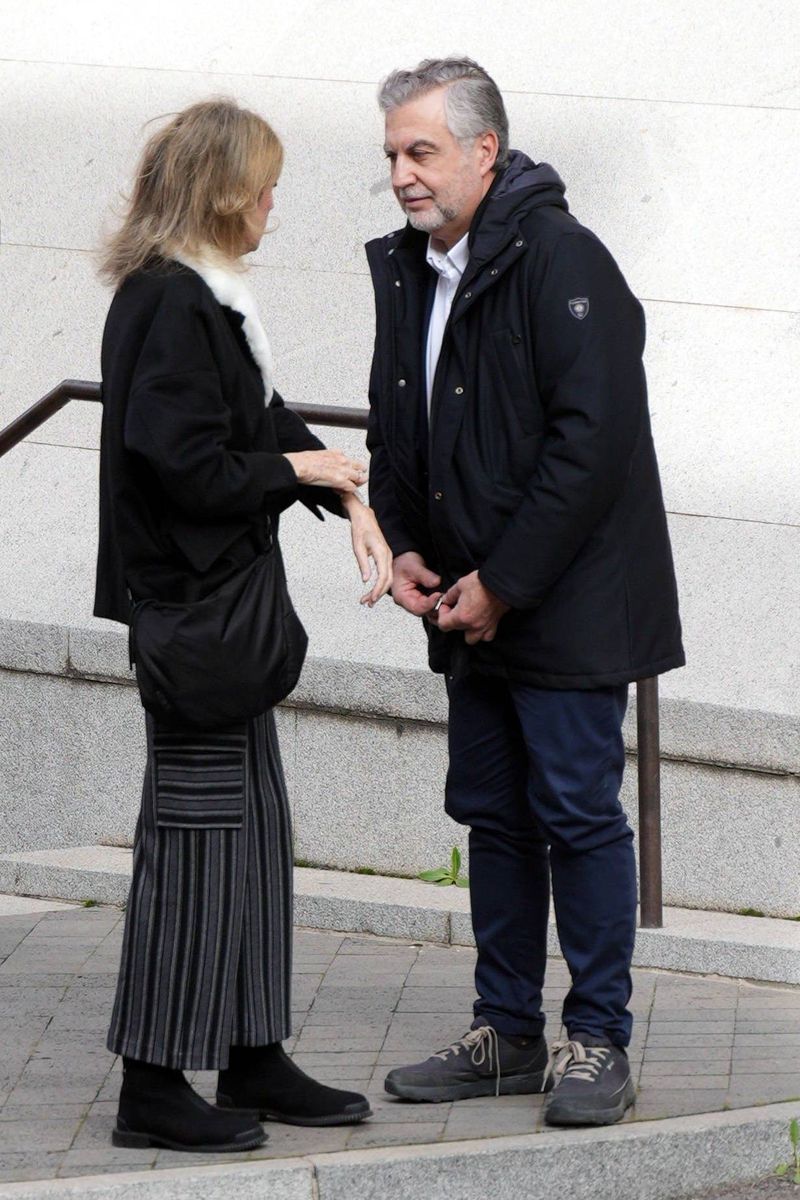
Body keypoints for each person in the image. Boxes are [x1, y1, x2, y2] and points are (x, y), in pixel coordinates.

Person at [366, 58, 684, 1127]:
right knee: (493, 819)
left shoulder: (561, 260)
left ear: (483, 150)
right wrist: (405, 544)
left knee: (575, 817)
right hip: (469, 602)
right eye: (391, 157)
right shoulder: (416, 268)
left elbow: (589, 445)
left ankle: (596, 1041)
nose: (402, 176)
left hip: (564, 602)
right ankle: (504, 1034)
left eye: (419, 151)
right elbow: (399, 420)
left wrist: (502, 581)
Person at [94, 97, 392, 1152]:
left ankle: (253, 1054)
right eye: (264, 183)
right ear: (224, 192)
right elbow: (178, 463)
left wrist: (346, 495)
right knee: (196, 842)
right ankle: (152, 1082)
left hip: (224, 622)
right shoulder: (172, 301)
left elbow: (254, 420)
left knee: (254, 836)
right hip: (193, 620)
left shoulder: (201, 295)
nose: (274, 200)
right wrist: (295, 471)